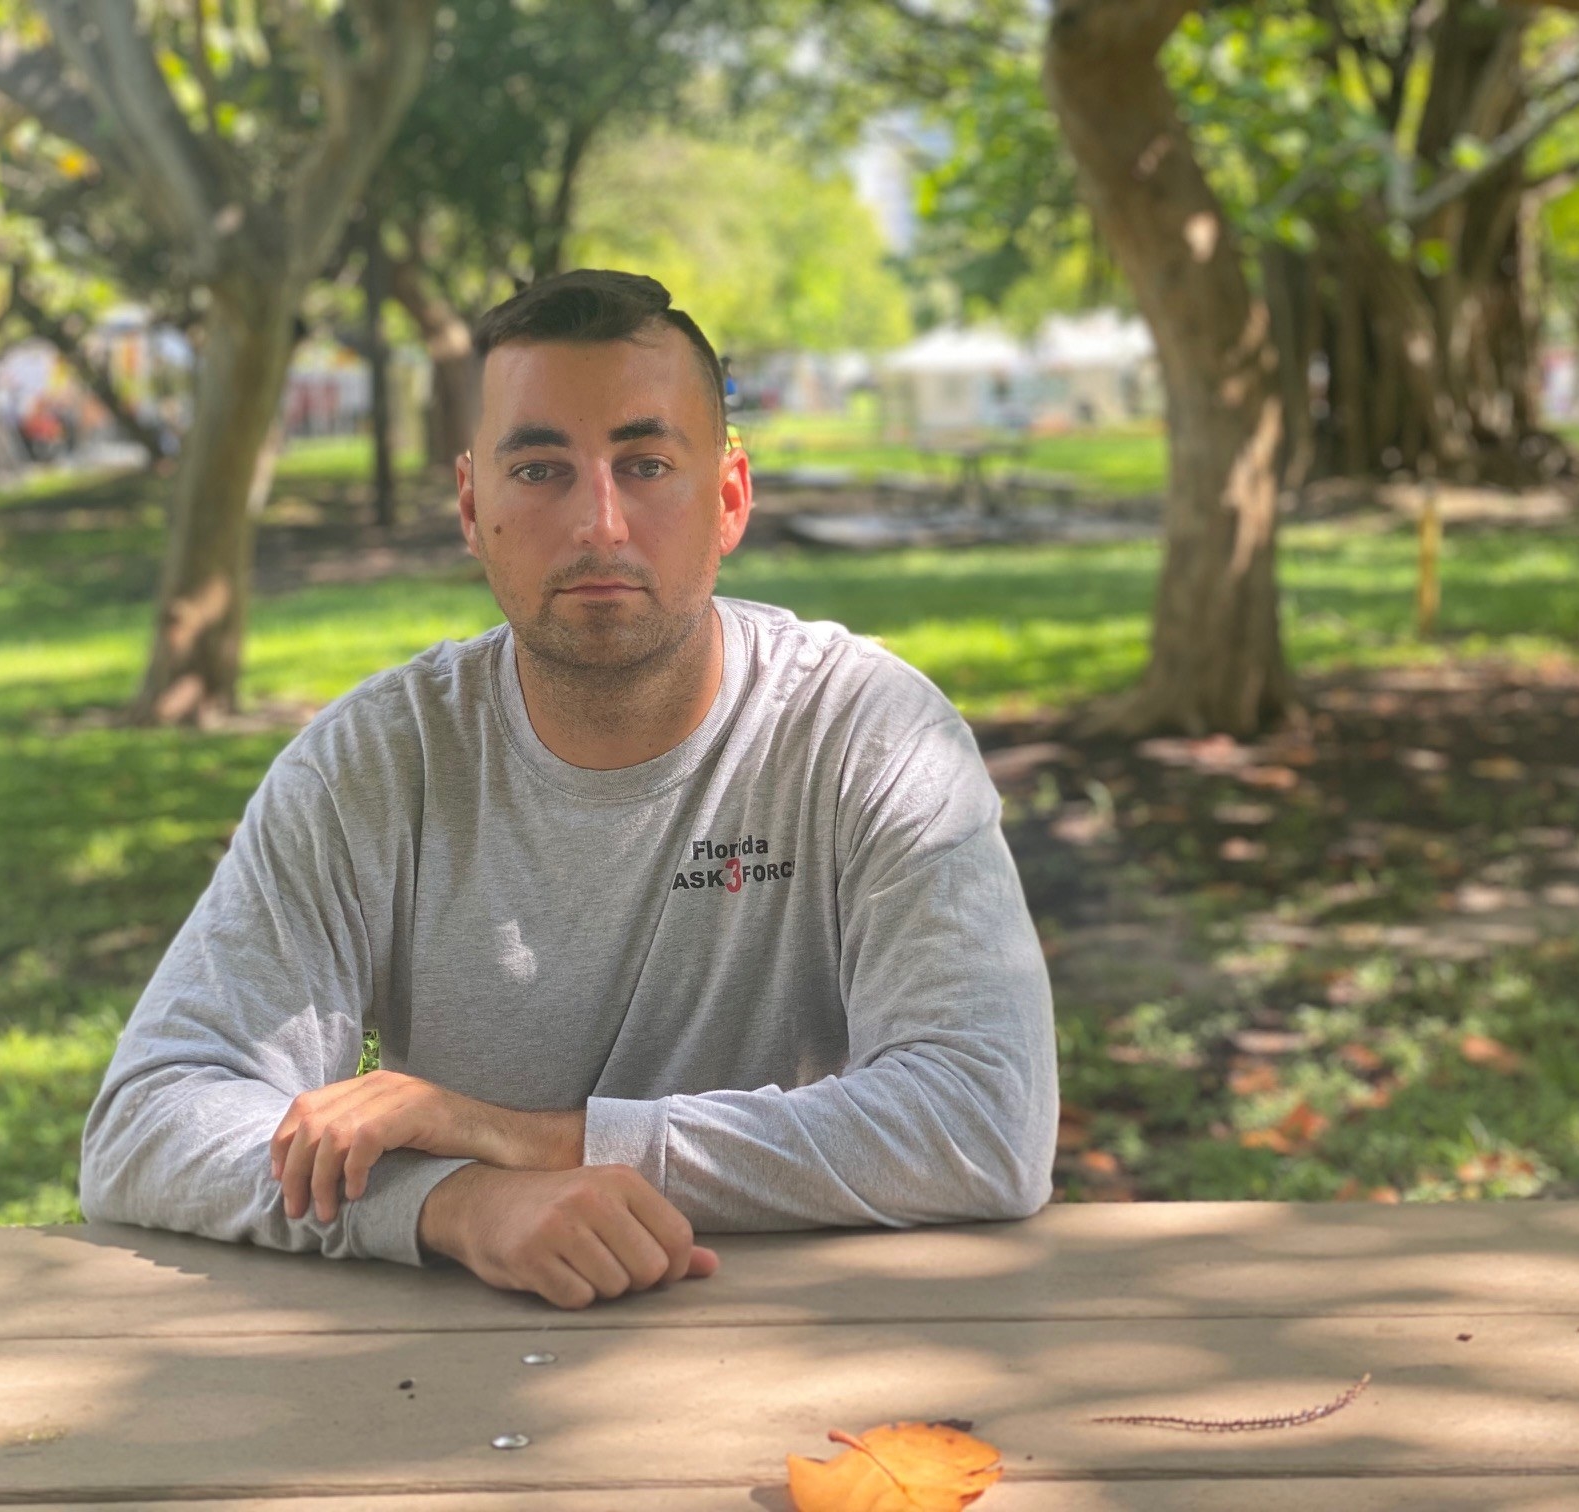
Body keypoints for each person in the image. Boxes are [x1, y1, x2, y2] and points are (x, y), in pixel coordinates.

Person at [78, 270, 1058, 1309]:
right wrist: (454, 1203)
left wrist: (525, 1144)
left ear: (727, 499)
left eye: (645, 464)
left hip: (806, 1337)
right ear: (471, 506)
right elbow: (150, 1116)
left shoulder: (868, 734)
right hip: (443, 1366)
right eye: (541, 470)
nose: (599, 524)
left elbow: (983, 1119)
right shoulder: (371, 765)